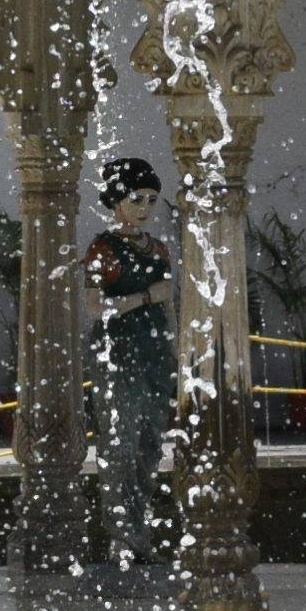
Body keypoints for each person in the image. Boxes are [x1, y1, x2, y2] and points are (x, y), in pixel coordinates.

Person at [89, 153, 176, 572]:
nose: (143, 208)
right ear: (116, 201)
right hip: (117, 354)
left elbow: (170, 307)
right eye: (136, 199)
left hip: (156, 354)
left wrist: (177, 353)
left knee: (149, 445)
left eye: (151, 200)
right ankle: (120, 535)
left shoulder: (159, 248)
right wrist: (144, 297)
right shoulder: (103, 248)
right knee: (119, 443)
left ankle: (141, 534)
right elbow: (95, 309)